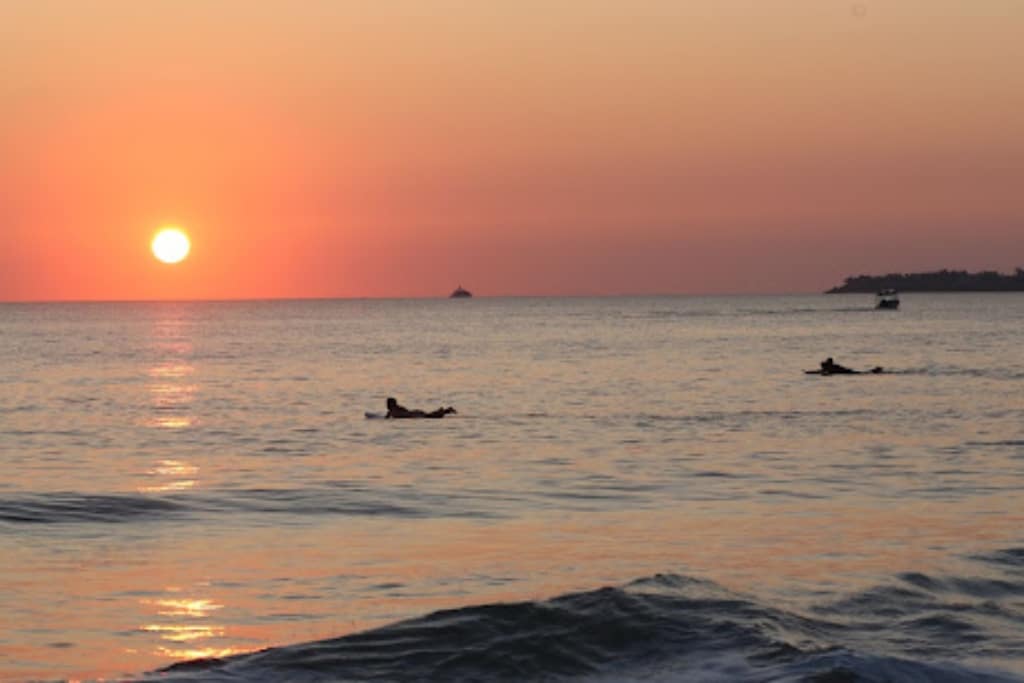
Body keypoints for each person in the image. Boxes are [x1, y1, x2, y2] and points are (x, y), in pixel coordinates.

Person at [385, 397, 456, 419]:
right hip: (414, 412)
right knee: (429, 416)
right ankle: (446, 411)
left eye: (387, 403)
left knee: (430, 417)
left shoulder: (392, 411)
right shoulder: (399, 408)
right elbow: (406, 411)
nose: (386, 405)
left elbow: (386, 419)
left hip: (414, 414)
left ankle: (444, 411)